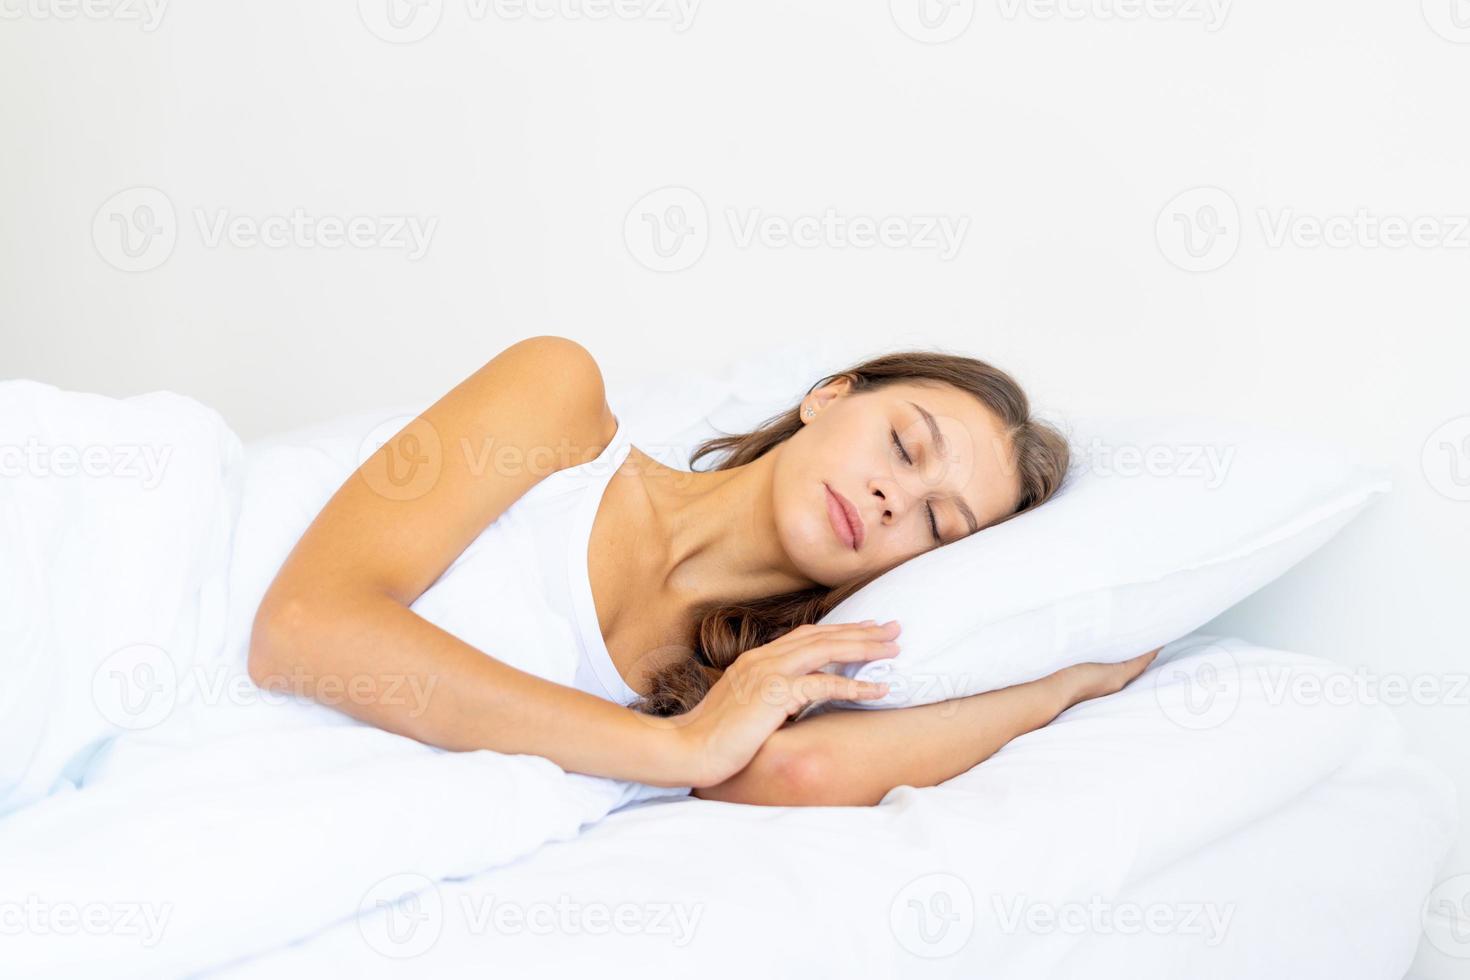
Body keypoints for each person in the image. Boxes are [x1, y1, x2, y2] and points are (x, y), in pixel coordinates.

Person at [247, 336, 1158, 807]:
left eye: (935, 524)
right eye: (904, 444)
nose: (894, 499)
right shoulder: (556, 399)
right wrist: (674, 749)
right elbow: (304, 628)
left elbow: (796, 775)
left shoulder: (746, 678)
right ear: (828, 396)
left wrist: (1062, 686)